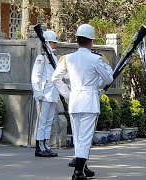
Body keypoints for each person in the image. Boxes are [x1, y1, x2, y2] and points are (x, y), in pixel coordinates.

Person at [52, 24, 113, 180]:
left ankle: (83, 167)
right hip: (89, 101)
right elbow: (108, 79)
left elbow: (55, 78)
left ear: (77, 40)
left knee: (79, 137)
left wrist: (67, 94)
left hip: (74, 101)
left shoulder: (67, 58)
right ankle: (78, 172)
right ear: (91, 41)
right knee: (85, 138)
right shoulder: (96, 59)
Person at [31, 30, 59, 157]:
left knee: (48, 121)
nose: (56, 45)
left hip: (52, 94)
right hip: (44, 93)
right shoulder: (41, 57)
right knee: (41, 122)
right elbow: (35, 76)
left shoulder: (55, 58)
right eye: (53, 42)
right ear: (48, 43)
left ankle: (46, 145)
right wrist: (38, 92)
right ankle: (39, 146)